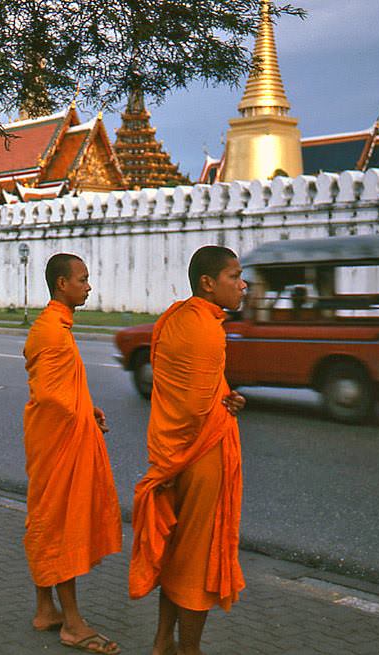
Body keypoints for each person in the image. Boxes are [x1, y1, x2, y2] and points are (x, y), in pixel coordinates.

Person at [129, 245, 248, 655]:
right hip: (201, 456)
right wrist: (217, 409)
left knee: (178, 555)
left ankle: (163, 643)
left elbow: (184, 390)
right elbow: (196, 409)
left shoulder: (174, 318)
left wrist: (226, 397)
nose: (243, 285)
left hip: (174, 455)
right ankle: (189, 649)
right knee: (197, 560)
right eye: (234, 277)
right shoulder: (207, 329)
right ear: (208, 283)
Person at [22, 253, 122, 655]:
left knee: (46, 521)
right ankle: (74, 625)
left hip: (52, 441)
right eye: (82, 279)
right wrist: (79, 413)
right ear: (62, 284)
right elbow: (49, 396)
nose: (88, 285)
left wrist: (87, 405)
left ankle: (46, 610)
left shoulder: (56, 326)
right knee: (60, 526)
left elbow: (63, 388)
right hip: (57, 444)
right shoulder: (52, 331)